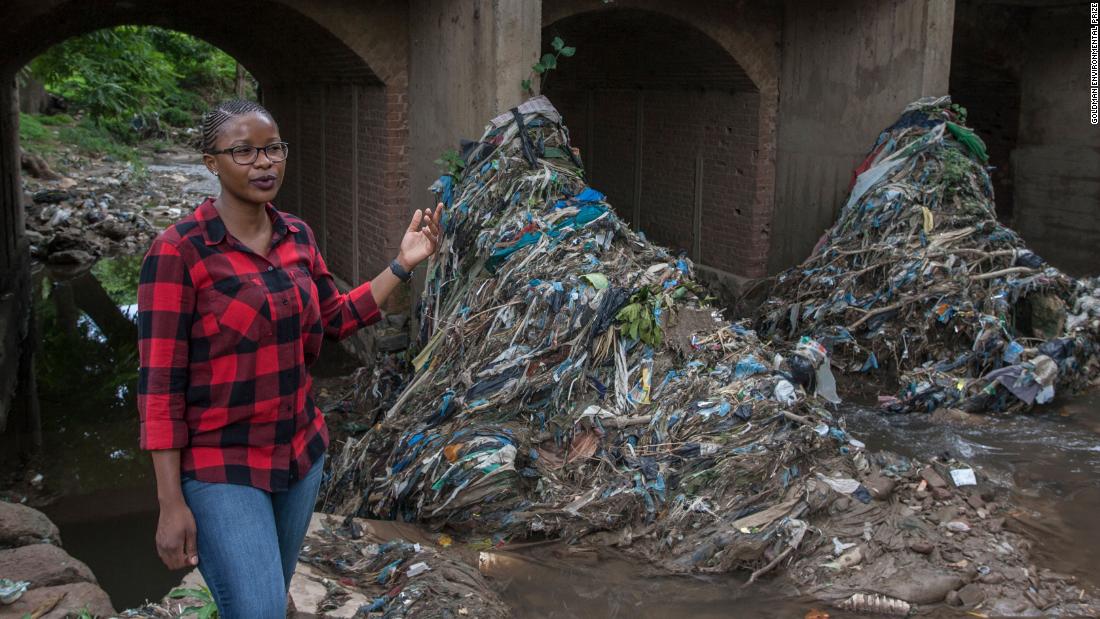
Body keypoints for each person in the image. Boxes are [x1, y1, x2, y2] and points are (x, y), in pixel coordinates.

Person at [136, 99, 441, 617]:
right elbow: (159, 388)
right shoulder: (178, 252)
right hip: (221, 464)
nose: (264, 163)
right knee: (258, 608)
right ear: (212, 162)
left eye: (273, 149)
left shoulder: (297, 235)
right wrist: (170, 504)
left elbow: (334, 319)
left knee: (272, 595)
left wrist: (402, 264)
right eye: (244, 152)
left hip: (300, 455)